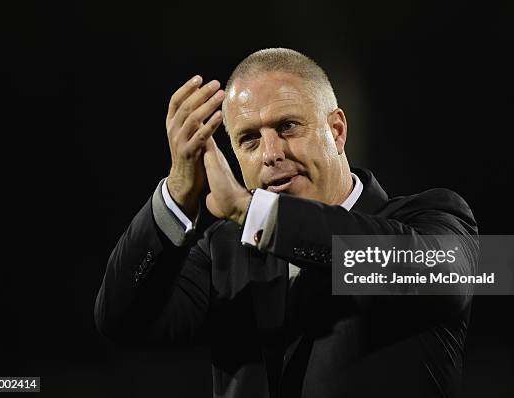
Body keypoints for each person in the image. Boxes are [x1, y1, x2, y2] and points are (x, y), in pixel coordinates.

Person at [94, 48, 479, 398]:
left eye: (288, 127)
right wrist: (177, 193)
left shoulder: (431, 217)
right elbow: (122, 321)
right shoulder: (222, 250)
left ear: (337, 130)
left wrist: (254, 213)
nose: (271, 154)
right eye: (248, 139)